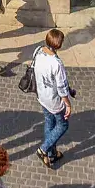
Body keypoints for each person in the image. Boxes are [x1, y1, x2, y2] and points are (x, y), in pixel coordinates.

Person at [34, 28, 72, 169]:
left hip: (42, 96)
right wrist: (68, 104)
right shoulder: (57, 63)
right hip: (54, 100)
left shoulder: (38, 51)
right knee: (62, 125)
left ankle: (51, 154)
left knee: (49, 122)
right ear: (59, 45)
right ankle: (43, 149)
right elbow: (61, 88)